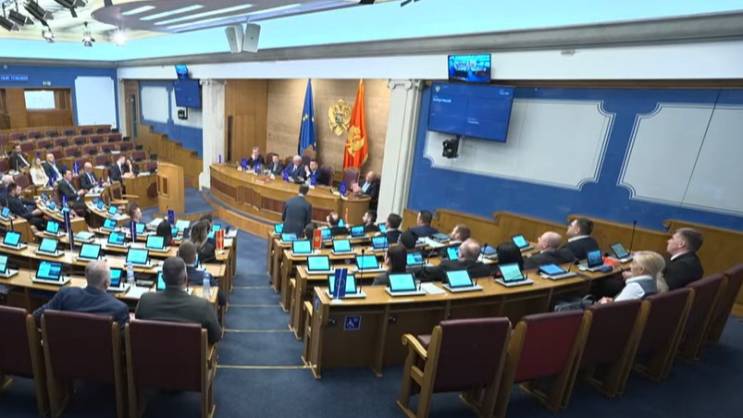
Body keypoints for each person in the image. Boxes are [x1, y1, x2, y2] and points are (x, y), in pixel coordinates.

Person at [135, 257, 222, 344]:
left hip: (152, 351)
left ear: (162, 278)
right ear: (186, 278)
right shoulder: (203, 306)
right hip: (189, 352)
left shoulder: (145, 301)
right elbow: (216, 336)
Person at [33, 260, 129, 326]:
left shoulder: (65, 294)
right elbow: (124, 341)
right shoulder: (119, 308)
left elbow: (37, 316)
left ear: (86, 277)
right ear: (107, 283)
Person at [600, 251, 668, 303]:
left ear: (641, 269)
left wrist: (604, 303)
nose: (630, 266)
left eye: (633, 263)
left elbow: (614, 308)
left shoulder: (635, 287)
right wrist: (613, 301)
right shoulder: (653, 283)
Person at [418, 239, 492, 282]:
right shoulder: (485, 268)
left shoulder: (447, 265)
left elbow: (425, 273)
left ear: (461, 255)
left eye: (459, 250)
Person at [178, 240, 225, 306]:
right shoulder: (206, 277)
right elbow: (222, 300)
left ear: (178, 256)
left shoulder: (172, 277)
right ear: (195, 257)